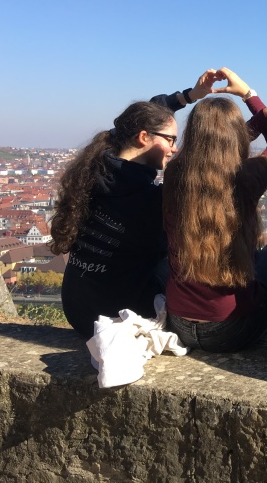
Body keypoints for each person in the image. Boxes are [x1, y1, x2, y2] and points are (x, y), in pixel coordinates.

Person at [50, 71, 216, 338]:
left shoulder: (94, 171)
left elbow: (138, 118)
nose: (174, 148)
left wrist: (190, 95)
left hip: (79, 310)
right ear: (143, 137)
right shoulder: (150, 200)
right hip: (119, 317)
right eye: (171, 140)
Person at [163, 68, 267, 352]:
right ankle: (259, 339)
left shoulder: (174, 174)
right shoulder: (247, 177)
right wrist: (251, 98)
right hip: (232, 329)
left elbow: (211, 147)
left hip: (178, 321)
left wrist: (263, 113)